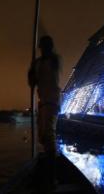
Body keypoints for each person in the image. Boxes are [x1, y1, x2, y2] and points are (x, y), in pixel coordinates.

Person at [28, 35, 61, 191]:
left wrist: (35, 66)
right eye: (43, 46)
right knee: (42, 136)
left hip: (52, 102)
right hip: (42, 103)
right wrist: (31, 72)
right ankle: (50, 161)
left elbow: (54, 61)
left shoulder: (54, 61)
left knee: (48, 135)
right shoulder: (38, 64)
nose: (45, 49)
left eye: (48, 46)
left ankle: (52, 177)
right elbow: (32, 83)